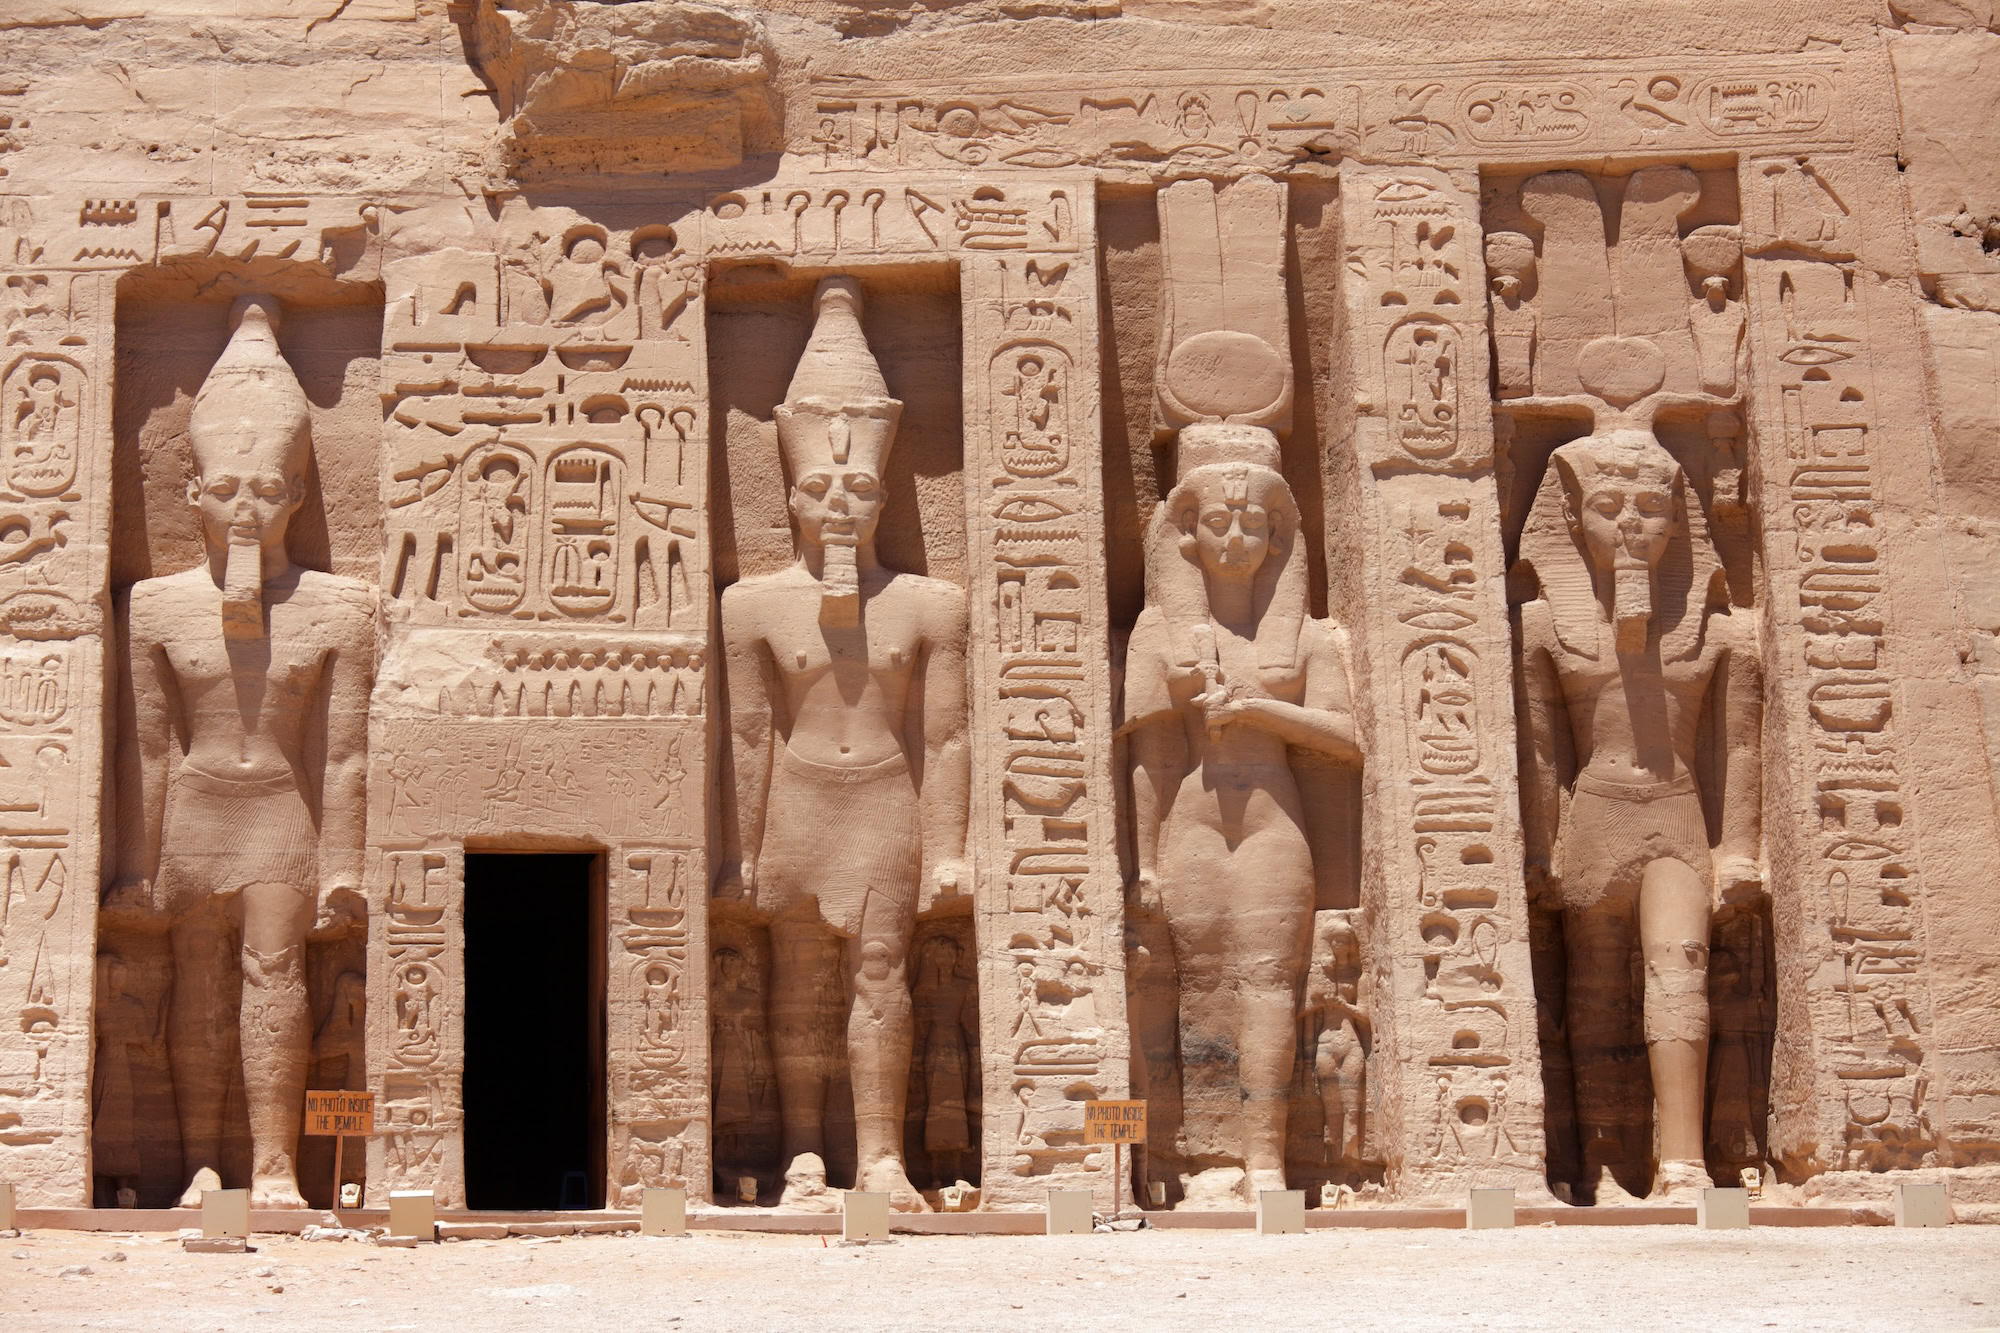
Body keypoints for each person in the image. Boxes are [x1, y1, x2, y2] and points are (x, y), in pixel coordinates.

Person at [115, 295, 372, 1208]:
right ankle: (199, 1165)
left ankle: (271, 1166)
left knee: (274, 972)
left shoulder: (339, 608)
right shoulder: (156, 607)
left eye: (267, 489)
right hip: (195, 810)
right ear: (193, 492)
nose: (246, 510)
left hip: (279, 812)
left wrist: (343, 865)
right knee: (195, 987)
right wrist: (136, 864)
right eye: (226, 490)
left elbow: (343, 756)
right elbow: (148, 749)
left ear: (297, 494)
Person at [719, 278, 969, 1211]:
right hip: (799, 798)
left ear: (884, 496)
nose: (838, 505)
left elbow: (945, 736)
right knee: (798, 979)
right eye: (819, 488)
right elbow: (749, 731)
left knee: (881, 971)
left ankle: (882, 1156)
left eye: (858, 487)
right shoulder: (751, 606)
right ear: (790, 496)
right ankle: (800, 1152)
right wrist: (739, 846)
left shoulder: (930, 606)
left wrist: (949, 848)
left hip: (884, 800)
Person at [1514, 428, 1761, 1202]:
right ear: (1571, 519)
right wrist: (1537, 844)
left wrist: (1739, 847)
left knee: (1679, 963)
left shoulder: (1719, 633)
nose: (1631, 523)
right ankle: (1603, 1164)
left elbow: (1741, 748)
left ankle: (1682, 1161)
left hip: (1677, 813)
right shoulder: (1545, 627)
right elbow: (1540, 751)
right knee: (1594, 992)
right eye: (1609, 504)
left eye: (1652, 506)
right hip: (1593, 817)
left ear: (1679, 521)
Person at [1122, 422, 1360, 1206]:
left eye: (1252, 523)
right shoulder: (1158, 634)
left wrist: (1258, 706)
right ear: (1186, 535)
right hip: (1190, 821)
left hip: (1272, 821)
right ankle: (1189, 1159)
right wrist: (1144, 860)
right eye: (1218, 522)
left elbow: (1347, 738)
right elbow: (1153, 758)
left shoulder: (1309, 638)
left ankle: (1264, 1163)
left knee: (1267, 984)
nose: (1234, 539)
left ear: (1278, 536)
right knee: (1196, 983)